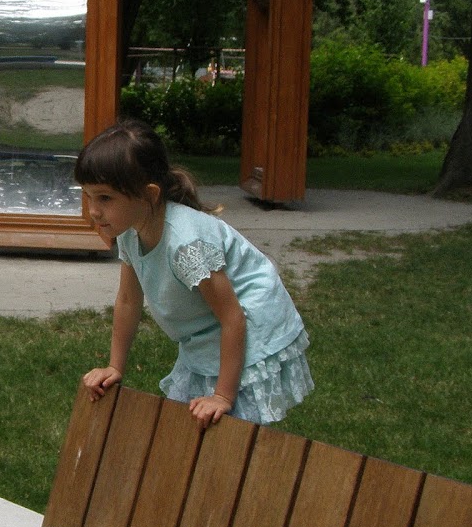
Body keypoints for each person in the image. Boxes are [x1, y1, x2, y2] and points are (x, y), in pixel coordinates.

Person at [78, 118, 314, 430]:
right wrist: (115, 366)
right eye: (88, 196)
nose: (93, 210)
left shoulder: (186, 244)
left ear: (149, 195)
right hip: (207, 329)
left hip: (250, 321)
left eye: (105, 198)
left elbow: (232, 317)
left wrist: (222, 396)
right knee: (191, 425)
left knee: (230, 430)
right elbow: (127, 301)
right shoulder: (130, 231)